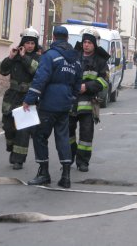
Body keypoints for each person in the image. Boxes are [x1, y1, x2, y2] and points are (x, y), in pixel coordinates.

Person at [23, 26, 82, 188]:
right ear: (67, 38)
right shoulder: (75, 58)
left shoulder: (50, 55)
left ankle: (44, 173)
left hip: (48, 104)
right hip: (65, 104)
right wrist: (71, 98)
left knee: (40, 136)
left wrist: (29, 99)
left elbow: (40, 79)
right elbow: (78, 82)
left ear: (54, 37)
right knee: (63, 138)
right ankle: (66, 176)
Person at [0, 27, 41, 170]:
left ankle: (18, 160)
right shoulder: (15, 56)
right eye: (27, 43)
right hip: (12, 97)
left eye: (32, 43)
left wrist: (24, 58)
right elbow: (2, 70)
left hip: (27, 98)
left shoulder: (37, 58)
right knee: (8, 127)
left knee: (23, 131)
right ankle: (12, 148)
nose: (30, 46)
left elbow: (35, 70)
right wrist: (11, 57)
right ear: (23, 43)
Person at [70, 27, 110, 172]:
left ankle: (83, 162)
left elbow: (105, 81)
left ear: (94, 45)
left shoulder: (100, 61)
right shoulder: (74, 56)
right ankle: (68, 158)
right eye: (84, 42)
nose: (86, 45)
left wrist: (87, 86)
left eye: (89, 42)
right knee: (68, 133)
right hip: (71, 102)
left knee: (86, 135)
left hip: (87, 104)